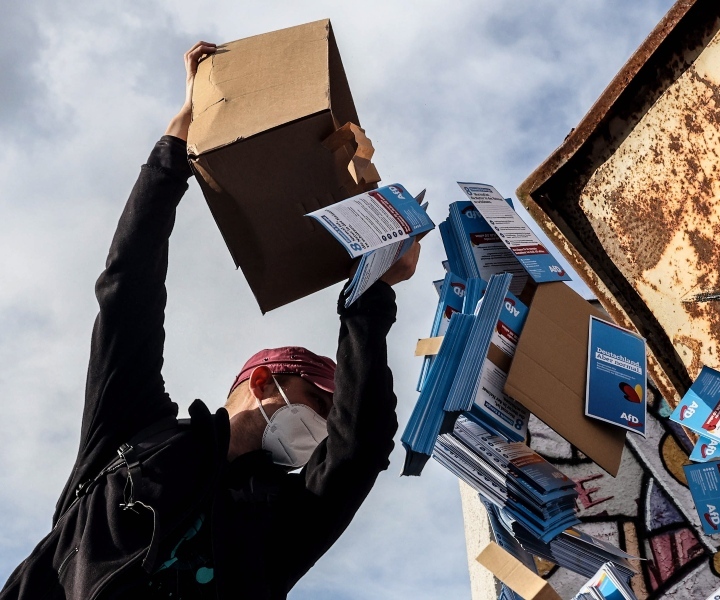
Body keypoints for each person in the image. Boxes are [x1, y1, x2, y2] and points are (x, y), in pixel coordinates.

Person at [0, 41, 420, 600]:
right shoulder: (132, 431)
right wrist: (175, 144)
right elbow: (128, 292)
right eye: (318, 400)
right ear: (264, 380)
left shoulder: (290, 516)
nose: (322, 425)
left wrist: (371, 289)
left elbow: (361, 444)